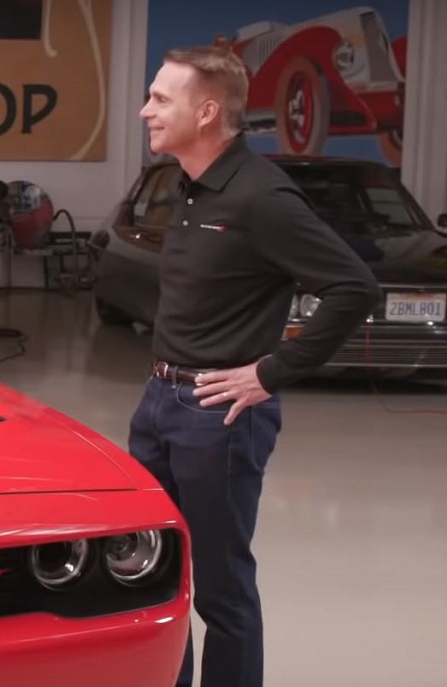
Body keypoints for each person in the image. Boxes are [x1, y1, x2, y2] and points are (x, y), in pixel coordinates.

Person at [132, 46, 379, 687]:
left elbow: (354, 287)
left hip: (218, 416)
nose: (145, 110)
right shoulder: (188, 185)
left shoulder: (261, 196)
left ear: (207, 111)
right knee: (158, 576)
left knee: (222, 590)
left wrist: (270, 373)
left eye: (161, 99)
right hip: (159, 404)